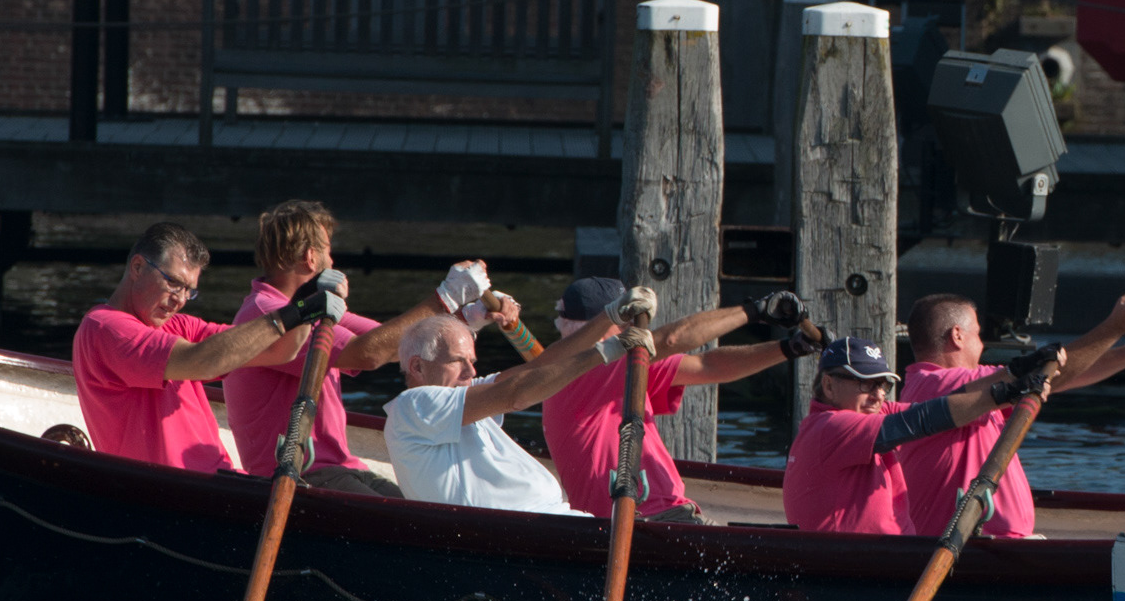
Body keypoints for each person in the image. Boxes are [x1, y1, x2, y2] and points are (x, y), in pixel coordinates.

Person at [800, 290, 1125, 540]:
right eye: (978, 334)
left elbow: (1059, 377)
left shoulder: (938, 391)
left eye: (882, 384)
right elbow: (1058, 375)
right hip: (968, 551)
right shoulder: (937, 384)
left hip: (989, 546)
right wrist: (1116, 328)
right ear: (957, 336)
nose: (878, 394)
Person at [217, 201, 463, 496]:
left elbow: (398, 342)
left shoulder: (316, 307)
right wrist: (446, 296)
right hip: (297, 474)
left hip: (341, 468)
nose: (333, 261)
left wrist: (464, 317)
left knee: (423, 509)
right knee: (409, 519)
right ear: (310, 257)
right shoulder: (267, 314)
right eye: (328, 250)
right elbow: (368, 354)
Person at [536, 279, 824, 525]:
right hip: (647, 520)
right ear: (602, 324)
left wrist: (791, 347)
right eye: (627, 319)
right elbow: (672, 339)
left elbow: (709, 366)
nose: (632, 327)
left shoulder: (610, 370)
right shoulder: (592, 365)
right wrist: (756, 311)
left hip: (645, 518)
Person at [72, 222, 346, 473]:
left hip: (218, 483)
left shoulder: (179, 326)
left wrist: (302, 302)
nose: (180, 299)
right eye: (173, 283)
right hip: (171, 491)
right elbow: (203, 362)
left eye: (189, 290)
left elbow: (280, 351)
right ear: (137, 267)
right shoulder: (105, 328)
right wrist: (292, 314)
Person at [381, 298, 644, 513]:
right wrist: (603, 353)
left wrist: (609, 316)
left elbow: (541, 366)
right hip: (521, 533)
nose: (471, 372)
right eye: (457, 361)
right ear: (418, 367)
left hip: (551, 522)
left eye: (472, 361)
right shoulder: (413, 406)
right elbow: (516, 394)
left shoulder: (464, 392)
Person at [782, 336, 1057, 536]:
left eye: (882, 384)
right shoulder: (831, 427)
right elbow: (920, 421)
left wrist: (1014, 373)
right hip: (856, 567)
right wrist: (1005, 393)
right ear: (828, 385)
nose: (878, 395)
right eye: (865, 383)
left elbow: (947, 405)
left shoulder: (870, 411)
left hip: (888, 559)